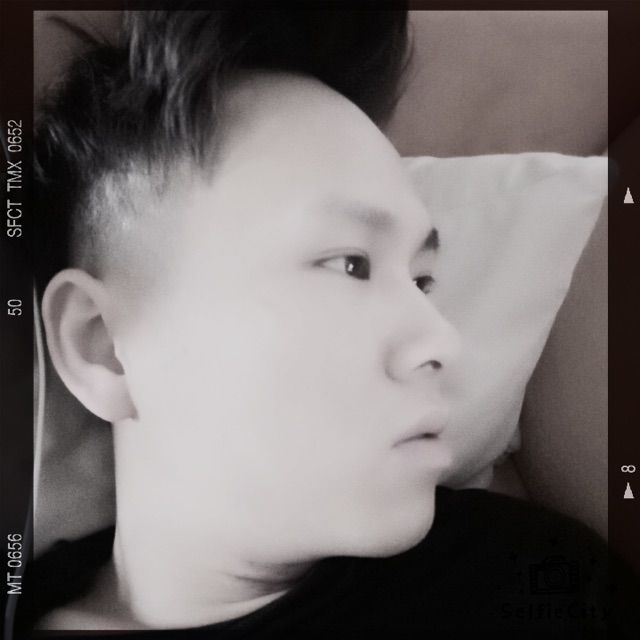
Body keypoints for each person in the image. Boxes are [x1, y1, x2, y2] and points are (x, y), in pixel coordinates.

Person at [11, 7, 640, 639]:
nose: (441, 341)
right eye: (351, 265)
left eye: (422, 282)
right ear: (104, 346)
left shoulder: (540, 585)